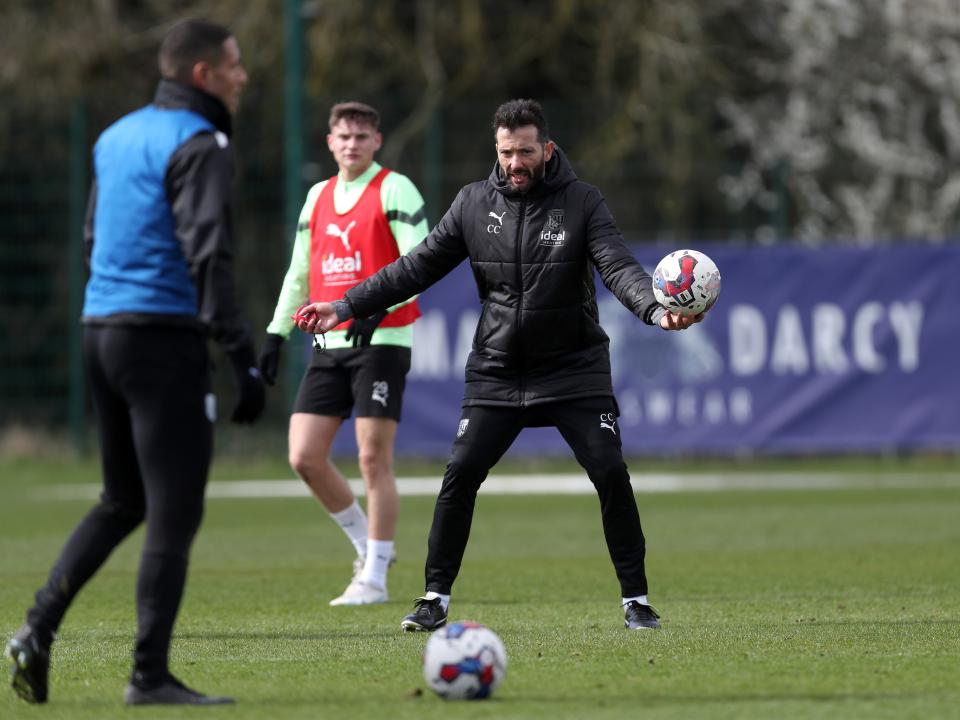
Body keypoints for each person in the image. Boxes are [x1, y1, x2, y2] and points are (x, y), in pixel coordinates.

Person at [294, 98, 705, 633]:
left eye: (526, 151)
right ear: (497, 150)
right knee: (460, 475)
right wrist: (344, 306)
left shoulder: (583, 202)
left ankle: (637, 601)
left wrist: (654, 310)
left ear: (547, 149)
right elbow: (412, 269)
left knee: (609, 471)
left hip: (573, 366)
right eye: (507, 152)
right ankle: (433, 598)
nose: (516, 162)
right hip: (498, 368)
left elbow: (617, 266)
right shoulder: (472, 204)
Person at [5, 19, 265, 706]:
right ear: (204, 75)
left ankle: (35, 628)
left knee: (123, 500)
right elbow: (209, 252)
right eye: (234, 65)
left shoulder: (114, 135)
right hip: (160, 339)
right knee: (173, 511)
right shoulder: (200, 142)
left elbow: (96, 236)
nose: (243, 76)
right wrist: (242, 357)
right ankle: (148, 675)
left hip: (102, 330)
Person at [258, 102, 428, 606]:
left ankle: (374, 576)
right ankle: (366, 544)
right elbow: (299, 271)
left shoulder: (394, 189)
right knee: (304, 456)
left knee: (373, 457)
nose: (352, 144)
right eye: (343, 136)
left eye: (362, 136)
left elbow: (421, 263)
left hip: (381, 341)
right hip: (328, 344)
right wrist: (275, 334)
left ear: (377, 141)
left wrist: (375, 310)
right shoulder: (318, 197)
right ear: (330, 143)